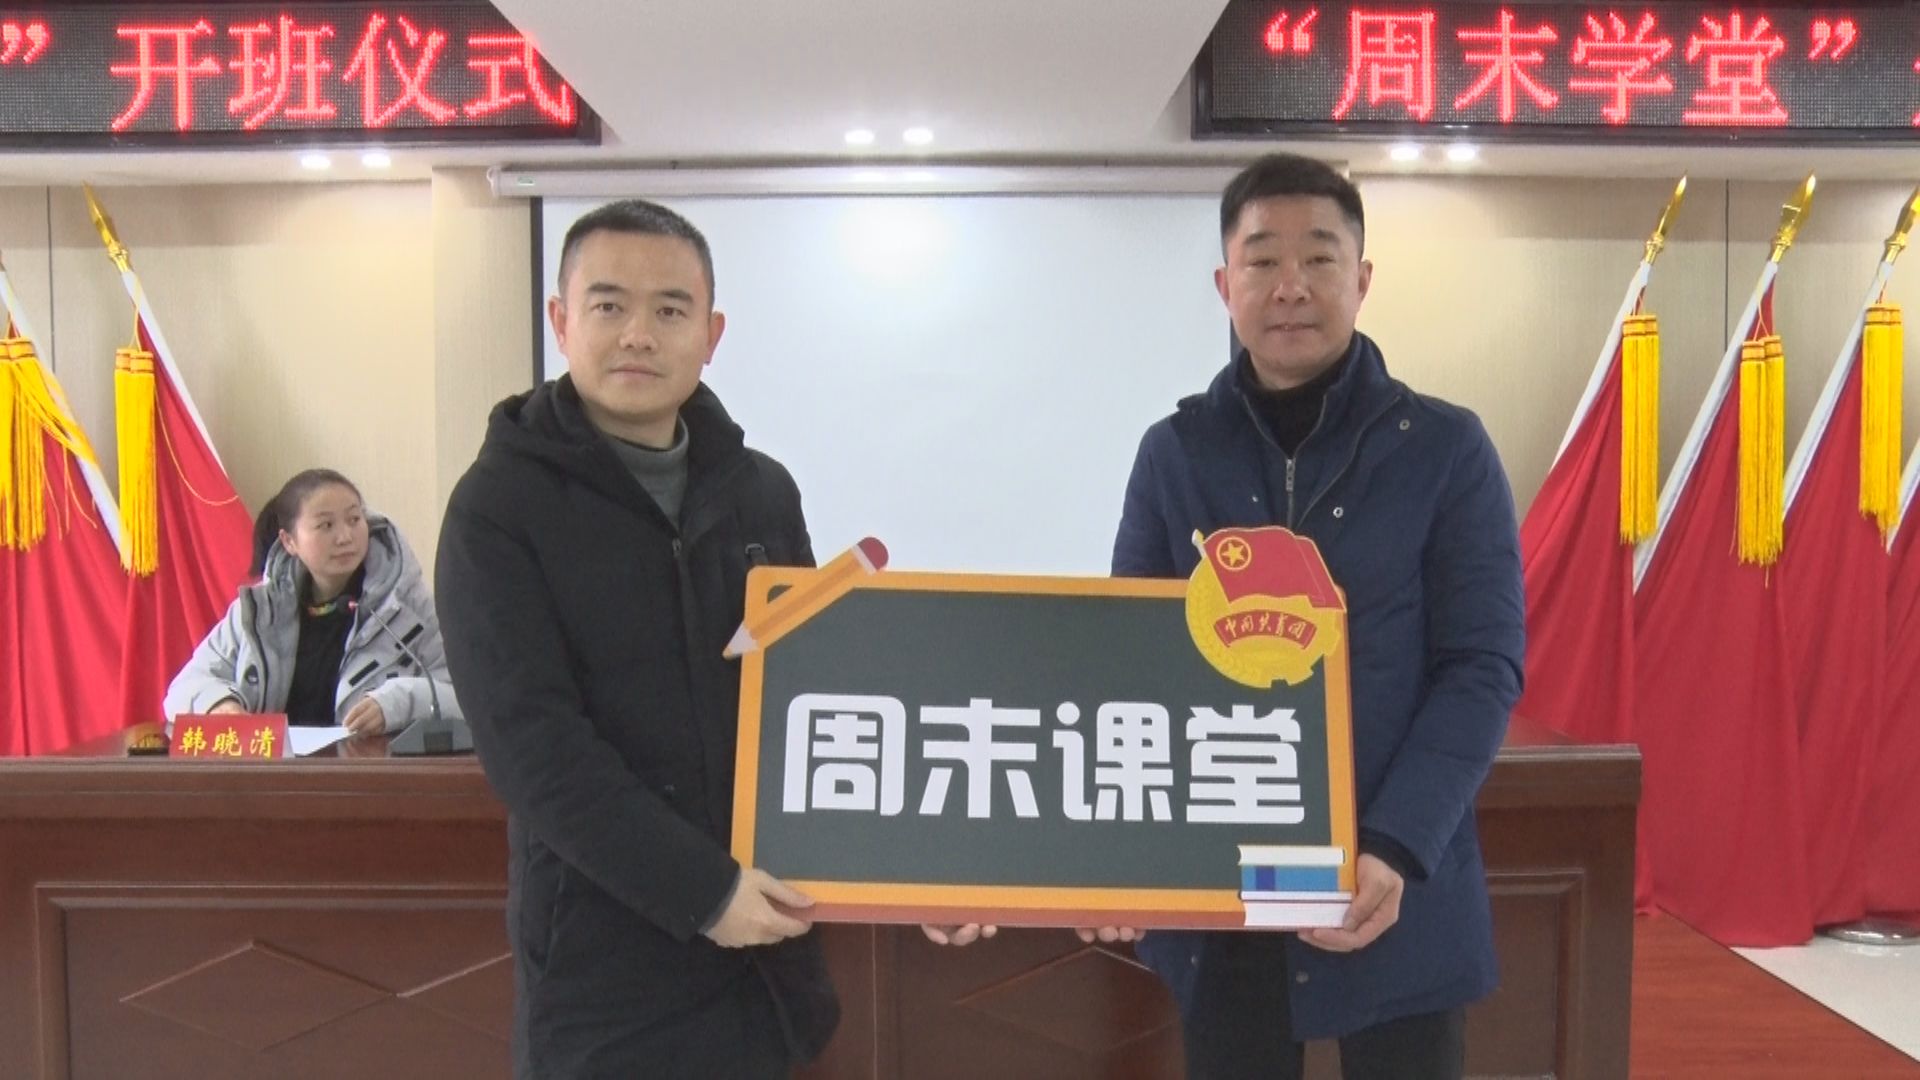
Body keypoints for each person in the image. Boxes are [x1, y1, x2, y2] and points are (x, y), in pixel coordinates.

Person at [1104, 153, 1526, 1078]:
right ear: (1226, 285)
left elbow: (1482, 664)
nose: (1290, 285)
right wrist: (1125, 848)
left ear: (1362, 279)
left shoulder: (1446, 449)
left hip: (1395, 884)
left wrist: (1395, 844)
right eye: (1261, 260)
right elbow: (1133, 662)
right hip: (1222, 895)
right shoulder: (1174, 454)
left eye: (1319, 258)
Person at [435, 199, 837, 1078]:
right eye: (609, 305)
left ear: (712, 334)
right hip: (605, 979)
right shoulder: (498, 509)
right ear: (561, 321)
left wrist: (912, 865)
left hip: (769, 975)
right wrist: (703, 893)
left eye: (671, 309)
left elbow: (816, 698)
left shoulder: (761, 492)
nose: (639, 335)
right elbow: (533, 748)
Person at [165, 468, 460, 735]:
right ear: (289, 541)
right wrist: (219, 704)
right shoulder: (258, 611)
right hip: (274, 772)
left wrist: (398, 702)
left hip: (371, 770)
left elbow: (466, 694)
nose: (345, 537)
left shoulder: (409, 608)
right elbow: (184, 688)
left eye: (354, 519)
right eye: (326, 525)